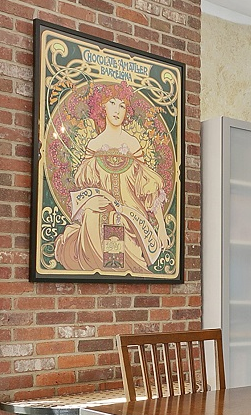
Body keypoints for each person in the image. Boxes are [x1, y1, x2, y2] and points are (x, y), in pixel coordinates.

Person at [52, 84, 171, 274]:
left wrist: (161, 229)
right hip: (97, 222)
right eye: (112, 103)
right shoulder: (94, 145)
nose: (117, 110)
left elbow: (149, 189)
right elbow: (83, 190)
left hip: (132, 222)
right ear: (103, 107)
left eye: (122, 105)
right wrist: (89, 204)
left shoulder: (133, 144)